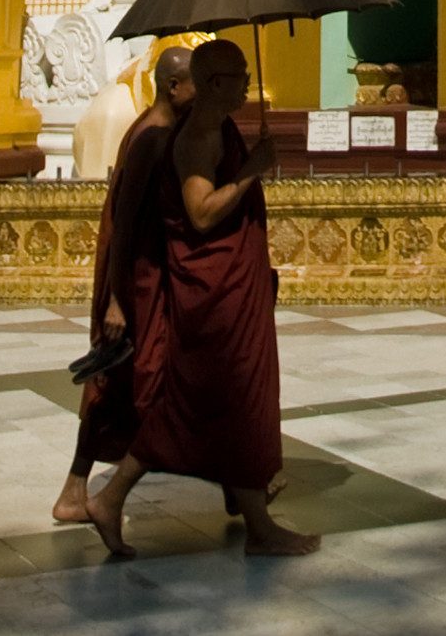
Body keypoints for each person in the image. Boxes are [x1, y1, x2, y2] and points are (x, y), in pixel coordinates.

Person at [88, 38, 315, 561]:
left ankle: (254, 521)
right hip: (211, 295)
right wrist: (251, 169)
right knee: (219, 401)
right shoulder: (197, 139)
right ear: (214, 84)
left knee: (231, 406)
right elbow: (201, 214)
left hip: (231, 288)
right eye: (239, 76)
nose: (248, 85)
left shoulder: (219, 129)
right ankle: (113, 497)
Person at [52, 43, 191, 527]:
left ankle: (78, 489)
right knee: (120, 383)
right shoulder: (151, 135)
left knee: (128, 382)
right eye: (197, 83)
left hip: (145, 276)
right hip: (130, 281)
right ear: (174, 86)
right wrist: (115, 299)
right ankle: (84, 492)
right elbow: (124, 223)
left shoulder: (162, 129)